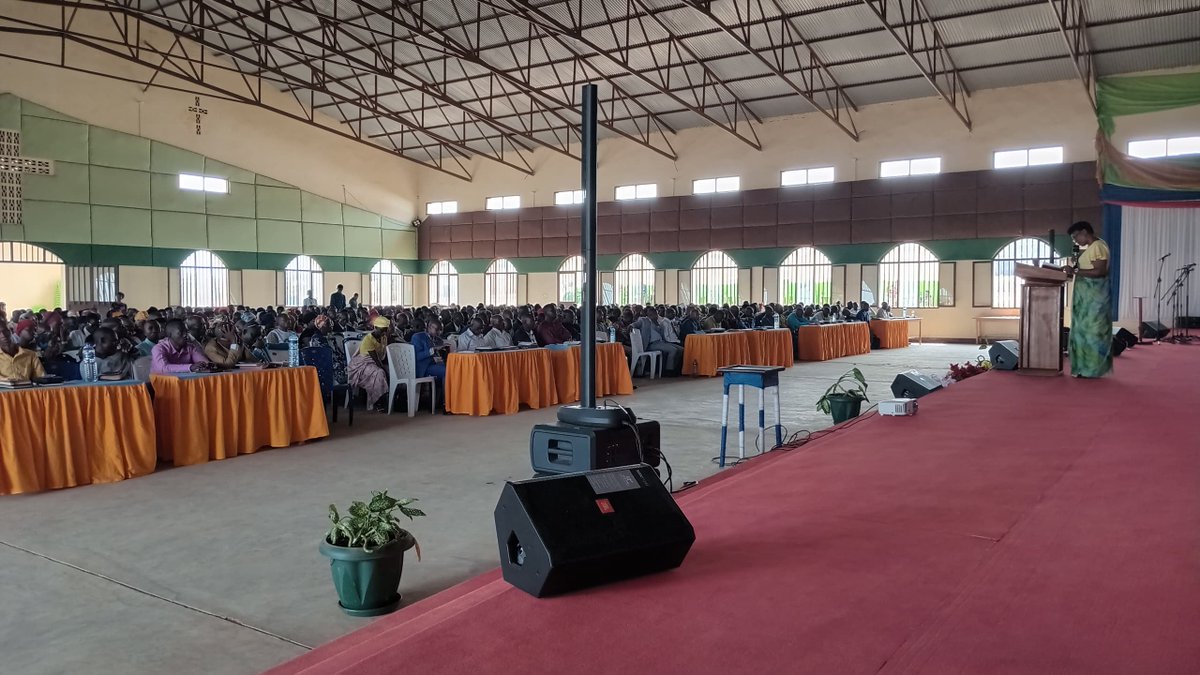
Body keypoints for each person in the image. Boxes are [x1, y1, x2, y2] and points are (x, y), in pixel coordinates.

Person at [1064, 220, 1113, 378]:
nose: (1075, 241)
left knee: (1092, 334)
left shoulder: (1098, 246)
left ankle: (1092, 369)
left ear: (1085, 232)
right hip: (1086, 302)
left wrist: (1075, 271)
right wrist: (1075, 267)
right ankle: (1084, 368)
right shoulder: (1090, 248)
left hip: (1094, 303)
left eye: (1075, 236)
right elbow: (1084, 271)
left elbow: (1100, 272)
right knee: (1084, 334)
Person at [348, 316, 391, 411]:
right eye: (381, 330)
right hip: (362, 364)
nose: (383, 332)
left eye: (385, 330)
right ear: (375, 328)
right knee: (379, 373)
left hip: (374, 362)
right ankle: (378, 401)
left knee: (391, 371)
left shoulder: (384, 337)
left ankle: (387, 399)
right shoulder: (369, 339)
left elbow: (383, 356)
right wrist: (384, 369)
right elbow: (376, 359)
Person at [633, 307, 684, 375]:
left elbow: (663, 334)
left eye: (655, 314)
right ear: (648, 315)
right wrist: (631, 325)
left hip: (661, 342)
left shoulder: (659, 322)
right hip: (651, 344)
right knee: (673, 350)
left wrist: (658, 325)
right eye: (651, 314)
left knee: (681, 349)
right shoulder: (644, 320)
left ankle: (675, 368)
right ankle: (669, 370)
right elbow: (636, 324)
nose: (654, 316)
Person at [410, 319, 448, 409]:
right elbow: (416, 356)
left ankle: (441, 401)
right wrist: (433, 350)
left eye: (441, 329)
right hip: (423, 367)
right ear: (429, 327)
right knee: (446, 371)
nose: (439, 332)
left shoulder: (438, 339)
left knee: (451, 369)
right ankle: (445, 402)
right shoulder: (418, 337)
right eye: (437, 329)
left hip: (436, 365)